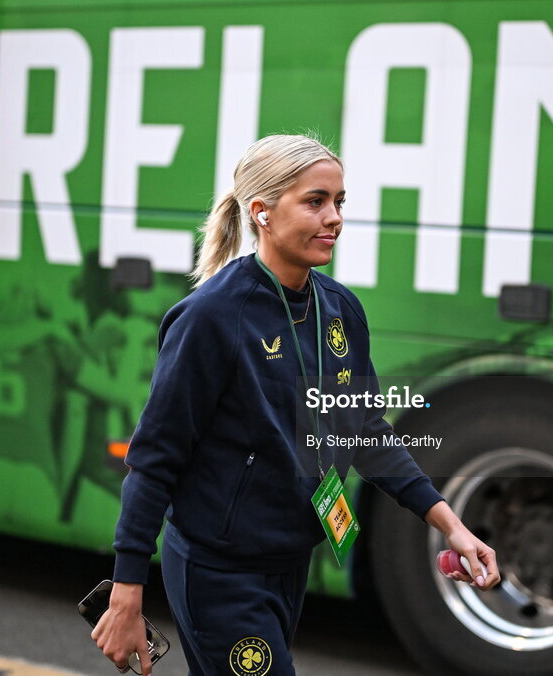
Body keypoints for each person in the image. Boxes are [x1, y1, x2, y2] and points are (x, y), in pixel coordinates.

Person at [91, 134, 500, 675]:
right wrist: (126, 591)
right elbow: (154, 458)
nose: (334, 218)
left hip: (289, 563)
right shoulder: (210, 317)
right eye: (315, 201)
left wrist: (451, 524)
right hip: (218, 571)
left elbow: (366, 432)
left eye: (339, 202)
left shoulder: (341, 309)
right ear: (262, 212)